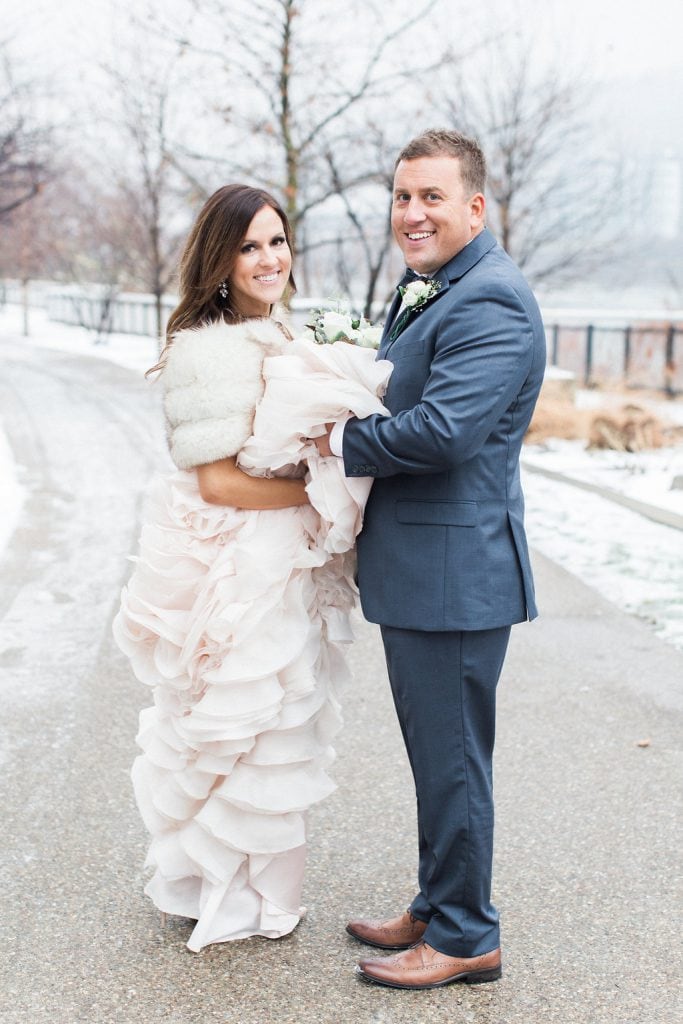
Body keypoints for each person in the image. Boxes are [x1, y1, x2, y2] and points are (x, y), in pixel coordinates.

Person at [113, 184, 390, 953]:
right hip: (239, 567)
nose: (269, 259)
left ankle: (258, 890)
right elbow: (219, 480)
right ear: (220, 259)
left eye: (277, 241)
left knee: (279, 726)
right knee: (240, 725)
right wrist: (324, 485)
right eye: (249, 246)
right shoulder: (207, 347)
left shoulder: (279, 331)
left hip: (281, 562)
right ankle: (223, 891)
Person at [315, 129, 546, 989]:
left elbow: (445, 432)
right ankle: (435, 901)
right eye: (402, 198)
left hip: (456, 579)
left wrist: (338, 438)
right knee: (436, 752)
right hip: (427, 573)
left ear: (474, 207)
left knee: (452, 759)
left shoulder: (488, 299)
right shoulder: (432, 287)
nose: (412, 214)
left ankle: (463, 937)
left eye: (432, 197)